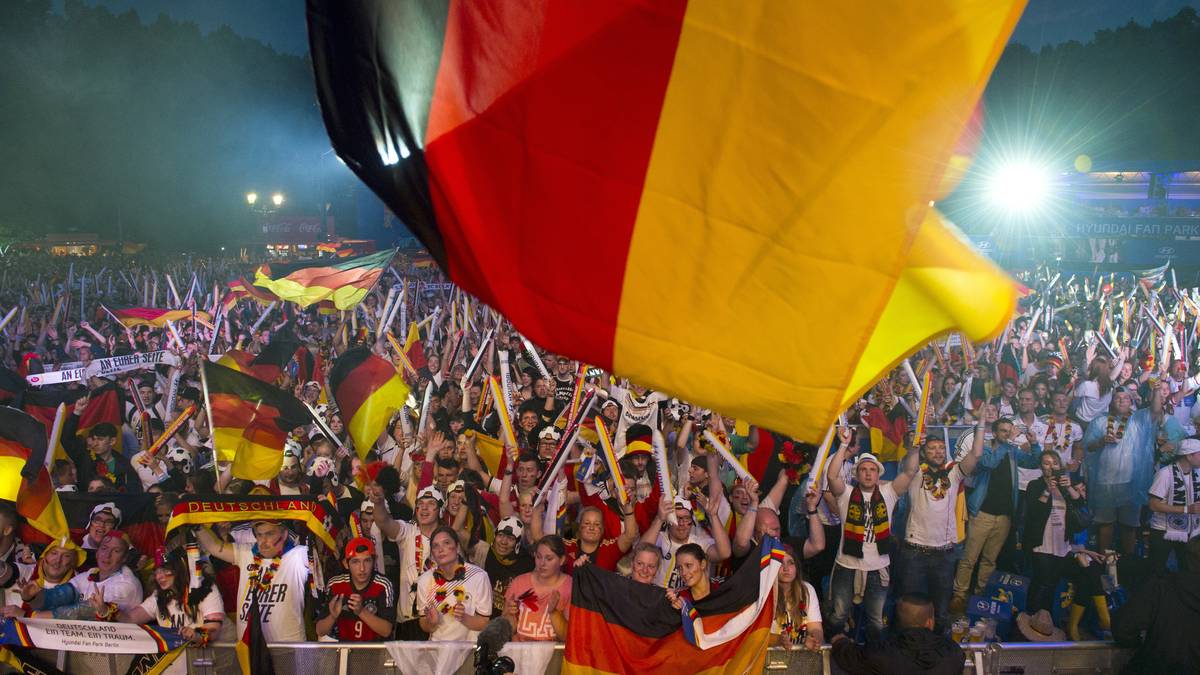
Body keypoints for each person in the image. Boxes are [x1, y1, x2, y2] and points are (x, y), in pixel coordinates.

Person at [826, 426, 917, 644]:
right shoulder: (846, 493)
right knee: (838, 616)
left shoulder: (889, 492)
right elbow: (831, 475)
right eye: (863, 469)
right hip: (847, 565)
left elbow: (910, 472)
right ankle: (834, 651)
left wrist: (915, 447)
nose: (868, 473)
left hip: (878, 567)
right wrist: (844, 445)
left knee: (876, 621)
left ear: (878, 475)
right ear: (856, 474)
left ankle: (874, 656)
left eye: (872, 470)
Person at [951, 416, 1040, 612]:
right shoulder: (985, 449)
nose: (1008, 435)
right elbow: (989, 463)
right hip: (982, 513)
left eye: (1010, 431)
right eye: (1004, 431)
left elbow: (1034, 462)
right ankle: (959, 595)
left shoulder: (1012, 452)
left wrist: (1034, 444)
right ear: (995, 432)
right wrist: (1009, 443)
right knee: (969, 558)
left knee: (990, 560)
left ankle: (980, 595)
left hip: (1004, 517)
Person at [900, 425, 983, 634]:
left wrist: (981, 423)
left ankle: (939, 647)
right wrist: (914, 446)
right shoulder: (916, 473)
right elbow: (910, 464)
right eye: (932, 449)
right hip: (915, 552)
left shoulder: (954, 473)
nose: (937, 452)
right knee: (910, 609)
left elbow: (976, 454)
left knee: (941, 612)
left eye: (941, 448)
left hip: (944, 554)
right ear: (924, 453)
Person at [195, 519, 310, 643]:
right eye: (259, 535)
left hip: (287, 646)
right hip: (249, 646)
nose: (263, 541)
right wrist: (196, 525)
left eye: (269, 534)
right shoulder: (247, 552)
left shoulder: (298, 555)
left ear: (284, 534)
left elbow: (318, 552)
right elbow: (214, 546)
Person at [1083, 387, 1163, 555]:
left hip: (1130, 483)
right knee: (1105, 525)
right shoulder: (1099, 421)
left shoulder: (1139, 420)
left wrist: (1156, 390)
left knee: (1129, 526)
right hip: (1104, 482)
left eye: (1125, 398)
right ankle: (1106, 562)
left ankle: (1128, 564)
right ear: (1112, 401)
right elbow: (1088, 447)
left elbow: (1156, 410)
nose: (1121, 401)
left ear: (1131, 401)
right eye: (1117, 398)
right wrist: (1101, 442)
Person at [1021, 451, 1085, 622]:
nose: (1051, 467)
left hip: (1061, 541)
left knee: (1053, 583)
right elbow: (1034, 511)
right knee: (1041, 580)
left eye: (1054, 463)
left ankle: (1045, 620)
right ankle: (1031, 616)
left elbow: (1080, 503)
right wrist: (1047, 490)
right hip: (1041, 541)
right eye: (1046, 463)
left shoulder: (1065, 484)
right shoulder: (1035, 485)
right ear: (1041, 467)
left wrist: (1069, 487)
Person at [831, 593, 964, 675]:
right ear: (929, 622)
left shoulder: (881, 654)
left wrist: (840, 642)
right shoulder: (953, 653)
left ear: (899, 621)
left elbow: (848, 655)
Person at [121, 548, 224, 647]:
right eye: (156, 571)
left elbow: (214, 629)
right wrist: (112, 611)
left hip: (219, 655)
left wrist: (196, 635)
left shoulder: (205, 588)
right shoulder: (158, 596)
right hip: (184, 655)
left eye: (165, 570)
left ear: (180, 568)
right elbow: (129, 619)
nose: (159, 576)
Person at [28, 531, 143, 620]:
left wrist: (36, 616)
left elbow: (84, 612)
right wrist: (32, 596)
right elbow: (61, 595)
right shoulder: (91, 573)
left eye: (116, 551)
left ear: (125, 558)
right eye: (104, 548)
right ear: (97, 553)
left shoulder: (126, 583)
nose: (107, 555)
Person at [1112, 570, 1200, 673]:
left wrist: (1138, 641)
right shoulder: (1161, 584)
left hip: (1155, 668)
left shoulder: (1161, 585)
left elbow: (1122, 629)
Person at [416, 525, 492, 641]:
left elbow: (484, 622)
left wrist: (463, 617)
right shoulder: (424, 580)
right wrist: (432, 623)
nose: (441, 550)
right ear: (432, 553)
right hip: (437, 647)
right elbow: (423, 623)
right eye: (436, 546)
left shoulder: (479, 576)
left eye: (446, 543)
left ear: (457, 547)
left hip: (469, 647)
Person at [315, 537, 396, 641]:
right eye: (355, 562)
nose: (362, 568)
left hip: (375, 649)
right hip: (345, 648)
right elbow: (320, 631)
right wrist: (332, 617)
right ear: (346, 563)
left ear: (374, 560)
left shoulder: (383, 585)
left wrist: (361, 611)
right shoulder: (336, 584)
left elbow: (387, 631)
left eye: (367, 561)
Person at [1147, 437, 1200, 575]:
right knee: (1156, 572)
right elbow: (1153, 505)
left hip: (1190, 531)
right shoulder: (1165, 474)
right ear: (1189, 456)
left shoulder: (1197, 474)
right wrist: (1187, 509)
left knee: (1188, 572)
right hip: (1163, 531)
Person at [503, 535, 571, 641]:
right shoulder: (519, 582)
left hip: (553, 651)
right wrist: (510, 615)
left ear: (562, 560)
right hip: (519, 650)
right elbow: (506, 631)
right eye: (538, 557)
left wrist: (554, 612)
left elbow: (567, 637)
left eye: (549, 558)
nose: (542, 563)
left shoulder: (570, 586)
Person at [772, 545, 822, 650]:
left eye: (790, 563)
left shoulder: (807, 590)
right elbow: (757, 636)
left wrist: (814, 640)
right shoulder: (765, 592)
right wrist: (779, 640)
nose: (786, 568)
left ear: (797, 568)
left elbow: (816, 628)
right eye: (780, 563)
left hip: (801, 655)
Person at [664, 543, 716, 611]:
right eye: (679, 568)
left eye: (688, 565)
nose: (683, 573)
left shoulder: (723, 586)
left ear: (703, 564)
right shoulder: (679, 598)